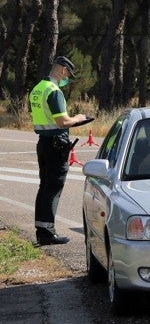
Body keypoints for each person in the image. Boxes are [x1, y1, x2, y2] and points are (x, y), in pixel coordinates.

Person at [28, 56, 88, 245]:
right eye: (68, 73)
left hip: (43, 143)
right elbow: (62, 121)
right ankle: (47, 232)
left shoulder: (37, 88)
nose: (68, 78)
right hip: (56, 144)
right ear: (62, 70)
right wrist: (78, 118)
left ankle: (42, 229)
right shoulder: (54, 91)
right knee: (53, 188)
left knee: (44, 186)